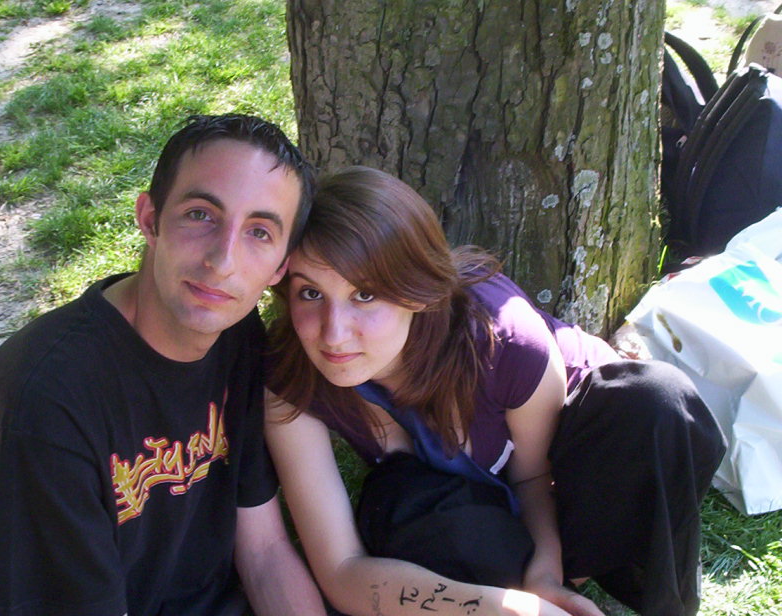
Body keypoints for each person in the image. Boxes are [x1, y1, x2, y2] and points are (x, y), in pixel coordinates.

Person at [264, 166, 727, 616]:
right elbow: (342, 569)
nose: (333, 333)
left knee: (658, 402)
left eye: (365, 295)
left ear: (417, 292)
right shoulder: (289, 376)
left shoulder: (504, 339)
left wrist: (545, 571)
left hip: (573, 474)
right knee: (402, 505)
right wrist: (498, 606)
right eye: (310, 293)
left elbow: (535, 479)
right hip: (466, 504)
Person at [0, 114, 327, 616]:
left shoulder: (236, 332)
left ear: (280, 267)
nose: (223, 261)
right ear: (150, 219)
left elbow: (264, 551)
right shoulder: (50, 399)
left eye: (259, 232)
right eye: (201, 215)